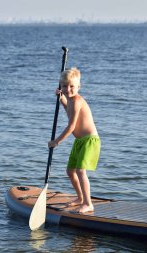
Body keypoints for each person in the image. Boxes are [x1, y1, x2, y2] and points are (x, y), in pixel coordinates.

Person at [48, 67, 101, 214]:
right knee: (70, 171)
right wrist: (62, 98)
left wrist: (56, 141)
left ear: (78, 87)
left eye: (72, 86)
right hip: (79, 141)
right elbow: (68, 110)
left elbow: (71, 126)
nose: (68, 89)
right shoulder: (70, 100)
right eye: (64, 86)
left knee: (80, 171)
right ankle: (79, 198)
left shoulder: (77, 100)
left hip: (90, 140)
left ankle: (88, 203)